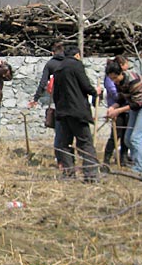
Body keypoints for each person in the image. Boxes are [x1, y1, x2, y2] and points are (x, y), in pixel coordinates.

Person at [52, 46, 101, 182]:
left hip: (63, 111)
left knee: (64, 144)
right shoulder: (76, 66)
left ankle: (68, 175)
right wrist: (95, 92)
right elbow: (85, 85)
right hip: (77, 111)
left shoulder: (58, 68)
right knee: (85, 143)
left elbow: (55, 93)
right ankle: (91, 176)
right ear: (77, 55)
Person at [106, 60, 142, 175]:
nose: (114, 81)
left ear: (120, 73)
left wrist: (118, 111)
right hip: (135, 107)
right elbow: (122, 98)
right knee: (128, 138)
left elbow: (137, 103)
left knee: (136, 138)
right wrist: (113, 107)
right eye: (111, 79)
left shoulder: (134, 81)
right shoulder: (119, 83)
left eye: (114, 78)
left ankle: (141, 168)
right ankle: (136, 161)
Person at [27, 42, 66, 168]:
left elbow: (43, 82)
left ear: (52, 53)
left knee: (59, 132)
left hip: (57, 101)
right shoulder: (70, 63)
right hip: (72, 102)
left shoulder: (50, 64)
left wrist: (36, 98)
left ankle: (60, 161)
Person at [103, 56, 130, 165]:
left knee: (125, 135)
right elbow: (114, 93)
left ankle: (123, 158)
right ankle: (106, 159)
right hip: (116, 108)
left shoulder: (126, 78)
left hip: (126, 108)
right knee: (115, 135)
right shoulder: (110, 77)